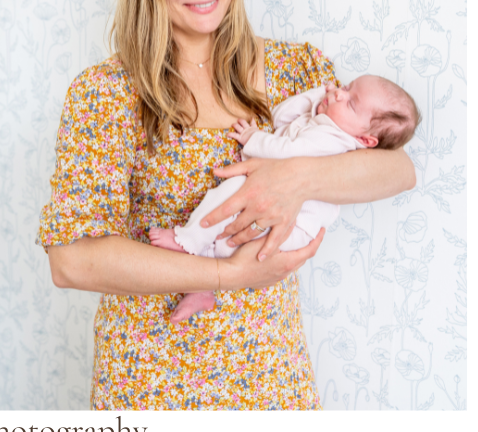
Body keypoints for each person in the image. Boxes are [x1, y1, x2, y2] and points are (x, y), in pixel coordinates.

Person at [37, 0, 416, 411]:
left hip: (269, 372)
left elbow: (397, 170)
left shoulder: (296, 72)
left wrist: (294, 178)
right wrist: (228, 275)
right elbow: (71, 261)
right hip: (152, 376)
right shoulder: (106, 92)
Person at [149, 74, 420, 320]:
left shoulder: (334, 140)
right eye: (346, 87)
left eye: (350, 103)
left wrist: (253, 137)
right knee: (233, 219)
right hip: (285, 218)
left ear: (367, 141)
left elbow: (285, 152)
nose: (338, 93)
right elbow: (280, 118)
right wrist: (319, 97)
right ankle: (202, 285)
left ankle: (188, 240)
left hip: (296, 227)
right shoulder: (325, 123)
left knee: (233, 192)